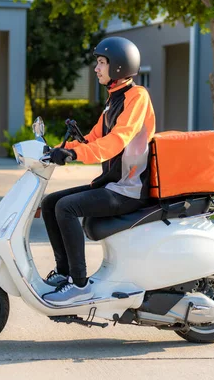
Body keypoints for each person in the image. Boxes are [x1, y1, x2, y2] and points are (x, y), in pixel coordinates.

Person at [41, 36, 156, 306]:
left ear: (118, 67)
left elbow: (117, 141)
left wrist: (75, 154)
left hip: (129, 189)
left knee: (65, 208)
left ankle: (79, 285)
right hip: (112, 185)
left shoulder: (137, 97)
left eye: (101, 62)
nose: (96, 68)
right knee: (50, 203)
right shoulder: (112, 102)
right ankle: (64, 273)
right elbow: (91, 139)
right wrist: (56, 149)